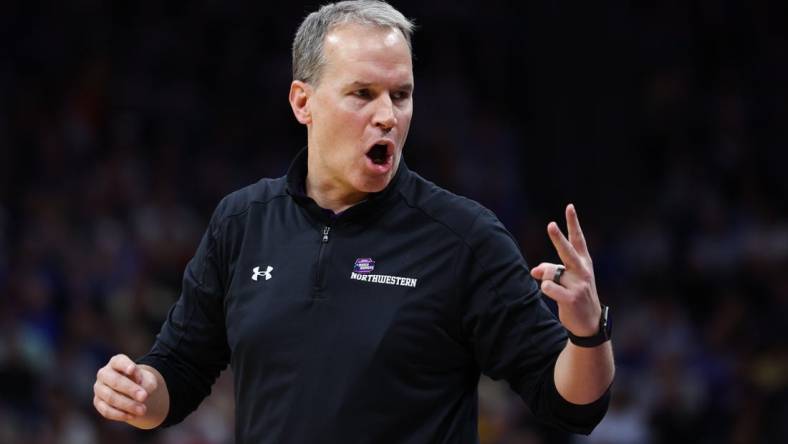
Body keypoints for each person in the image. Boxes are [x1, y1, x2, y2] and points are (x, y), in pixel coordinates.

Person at [92, 1, 614, 441]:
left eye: (401, 95)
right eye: (362, 94)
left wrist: (589, 334)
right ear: (303, 102)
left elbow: (571, 404)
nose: (387, 114)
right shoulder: (243, 222)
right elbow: (179, 373)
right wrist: (141, 390)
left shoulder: (464, 238)